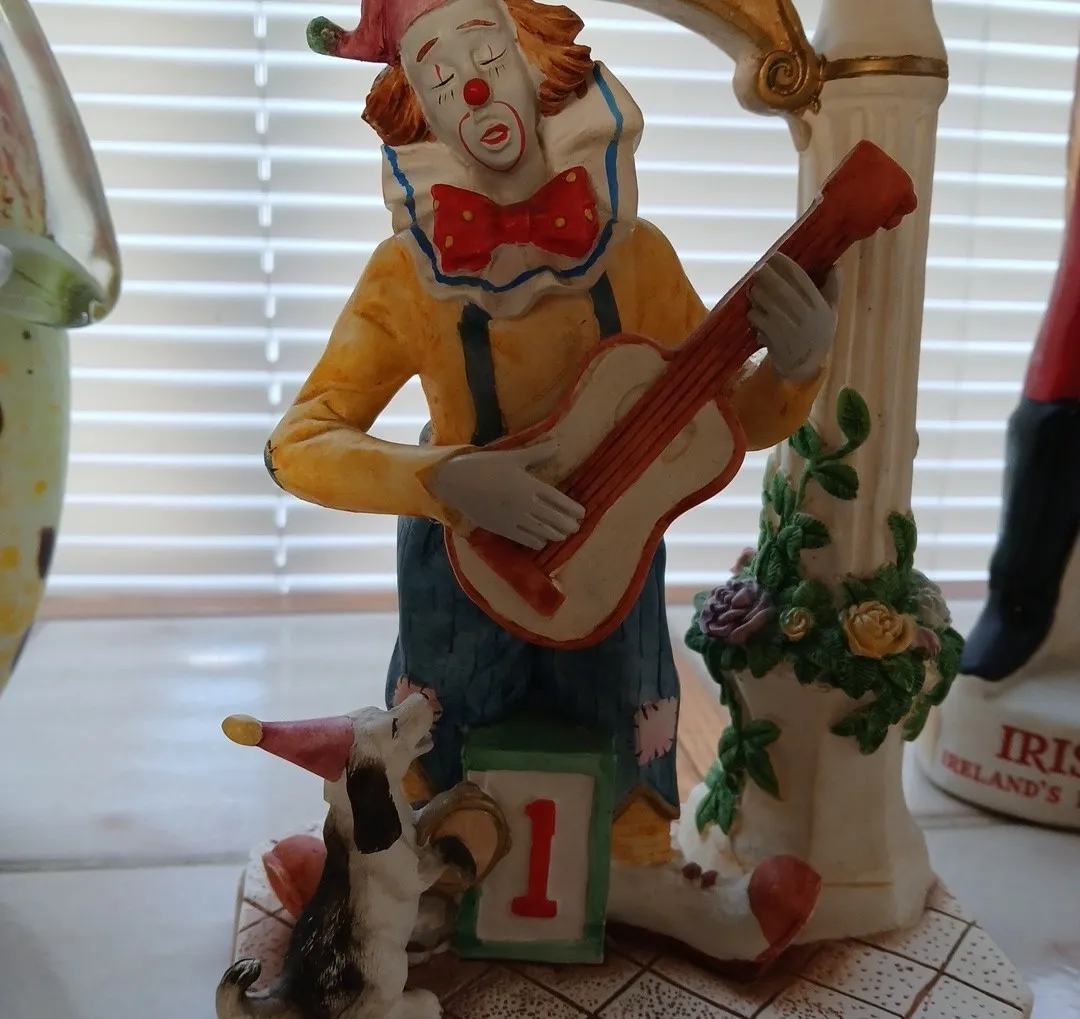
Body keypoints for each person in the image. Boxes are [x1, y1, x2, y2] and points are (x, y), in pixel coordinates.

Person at [264, 0, 837, 963]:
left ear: (540, 70)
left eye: (487, 56)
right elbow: (300, 444)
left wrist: (797, 365)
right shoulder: (404, 278)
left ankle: (643, 873)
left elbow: (721, 419)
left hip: (616, 547)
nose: (471, 90)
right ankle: (401, 873)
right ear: (419, 112)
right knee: (443, 718)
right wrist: (448, 478)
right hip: (457, 559)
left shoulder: (638, 258)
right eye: (438, 75)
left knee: (621, 704)